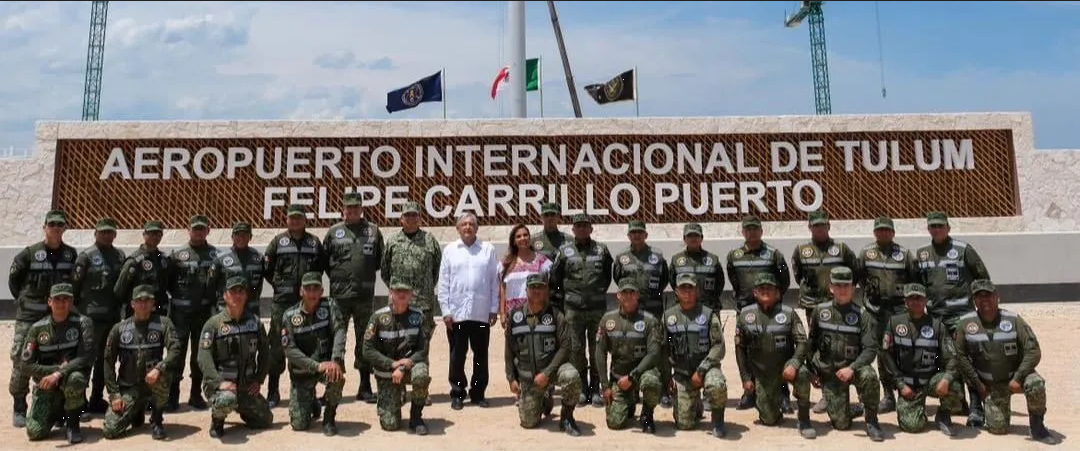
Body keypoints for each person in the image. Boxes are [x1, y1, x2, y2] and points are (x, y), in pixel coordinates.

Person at [952, 279, 1058, 444]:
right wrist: (978, 385)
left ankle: (1038, 427)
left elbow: (1033, 351)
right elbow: (959, 356)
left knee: (1035, 384)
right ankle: (980, 407)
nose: (984, 300)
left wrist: (1018, 378)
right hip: (989, 385)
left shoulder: (1014, 320)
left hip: (1015, 378)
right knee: (998, 429)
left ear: (997, 297)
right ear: (974, 301)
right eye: (979, 297)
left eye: (988, 295)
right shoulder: (965, 323)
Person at [916, 211, 992, 421]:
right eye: (933, 226)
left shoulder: (963, 250)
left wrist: (982, 306)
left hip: (962, 317)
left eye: (941, 226)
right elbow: (917, 285)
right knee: (946, 360)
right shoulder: (922, 254)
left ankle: (977, 405)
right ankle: (958, 403)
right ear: (928, 229)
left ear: (948, 228)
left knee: (968, 359)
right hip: (937, 318)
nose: (937, 229)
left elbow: (982, 277)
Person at [8, 209, 78, 427]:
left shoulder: (71, 254)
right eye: (52, 224)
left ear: (64, 228)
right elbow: (14, 282)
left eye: (60, 224)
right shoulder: (29, 254)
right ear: (45, 227)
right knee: (22, 357)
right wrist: (25, 301)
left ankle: (55, 407)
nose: (55, 228)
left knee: (57, 359)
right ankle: (20, 406)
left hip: (57, 317)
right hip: (29, 316)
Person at [803, 267, 884, 441]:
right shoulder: (819, 312)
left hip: (852, 370)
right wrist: (812, 370)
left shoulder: (863, 315)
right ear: (831, 287)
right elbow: (811, 344)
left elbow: (870, 349)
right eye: (838, 285)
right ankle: (851, 409)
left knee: (869, 376)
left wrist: (852, 368)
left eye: (846, 285)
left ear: (853, 288)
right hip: (831, 373)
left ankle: (872, 420)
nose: (842, 289)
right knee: (841, 424)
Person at [733, 273, 816, 439]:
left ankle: (804, 419)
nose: (765, 291)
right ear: (755, 293)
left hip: (785, 368)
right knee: (769, 420)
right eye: (761, 288)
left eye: (770, 288)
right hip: (762, 374)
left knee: (804, 374)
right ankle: (771, 402)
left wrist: (794, 363)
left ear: (777, 293)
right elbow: (740, 348)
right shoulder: (745, 315)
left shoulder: (789, 313)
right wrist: (746, 377)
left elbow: (802, 342)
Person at [322, 192, 384, 403]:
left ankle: (365, 386)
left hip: (364, 297)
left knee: (365, 340)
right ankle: (331, 387)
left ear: (361, 209)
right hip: (339, 298)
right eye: (349, 208)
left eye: (356, 208)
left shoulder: (373, 232)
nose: (352, 211)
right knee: (334, 340)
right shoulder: (333, 233)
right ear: (343, 210)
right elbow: (325, 263)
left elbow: (378, 262)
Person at [853, 216, 918, 414]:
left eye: (887, 230)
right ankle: (888, 395)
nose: (883, 233)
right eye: (879, 230)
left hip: (899, 312)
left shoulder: (905, 254)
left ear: (893, 232)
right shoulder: (866, 253)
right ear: (875, 232)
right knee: (882, 352)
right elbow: (858, 277)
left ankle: (904, 392)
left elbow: (914, 280)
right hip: (875, 312)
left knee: (902, 351)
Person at [725, 214, 790, 411]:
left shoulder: (773, 254)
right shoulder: (734, 256)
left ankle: (783, 393)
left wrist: (772, 299)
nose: (752, 233)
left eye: (755, 229)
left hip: (771, 312)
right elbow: (734, 281)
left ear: (762, 231)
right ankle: (750, 392)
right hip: (745, 312)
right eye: (748, 229)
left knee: (779, 349)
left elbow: (784, 281)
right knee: (744, 349)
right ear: (743, 232)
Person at [880, 283, 963, 436]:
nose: (916, 302)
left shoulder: (937, 326)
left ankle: (943, 415)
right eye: (912, 298)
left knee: (955, 386)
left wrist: (946, 378)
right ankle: (916, 409)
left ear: (926, 301)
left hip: (930, 380)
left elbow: (952, 357)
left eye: (920, 298)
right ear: (906, 302)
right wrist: (900, 384)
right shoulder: (895, 323)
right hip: (908, 385)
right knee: (913, 426)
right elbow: (886, 356)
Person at [504, 273, 582, 436]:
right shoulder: (515, 316)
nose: (537, 291)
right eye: (533, 287)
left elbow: (566, 346)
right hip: (529, 378)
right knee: (528, 423)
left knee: (571, 376)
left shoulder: (556, 315)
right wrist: (511, 378)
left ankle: (567, 417)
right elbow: (509, 349)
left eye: (541, 287)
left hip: (552, 372)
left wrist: (547, 373)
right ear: (526, 290)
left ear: (546, 290)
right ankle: (545, 399)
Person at [380, 201, 442, 406]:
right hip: (398, 305)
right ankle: (397, 388)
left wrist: (422, 290)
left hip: (423, 304)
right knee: (395, 344)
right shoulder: (393, 242)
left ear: (420, 218)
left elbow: (436, 271)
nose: (411, 219)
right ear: (401, 219)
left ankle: (420, 389)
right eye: (407, 215)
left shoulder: (430, 240)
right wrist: (398, 294)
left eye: (415, 215)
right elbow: (385, 271)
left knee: (421, 346)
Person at [101, 284, 181, 440]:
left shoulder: (164, 323)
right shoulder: (119, 329)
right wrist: (114, 395)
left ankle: (157, 421)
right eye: (139, 301)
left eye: (147, 300)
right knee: (111, 430)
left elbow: (175, 350)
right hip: (129, 387)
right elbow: (108, 362)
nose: (143, 304)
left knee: (165, 375)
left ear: (153, 304)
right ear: (132, 304)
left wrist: (159, 368)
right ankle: (136, 411)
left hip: (153, 383)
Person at [264, 204, 325, 407]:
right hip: (282, 302)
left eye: (299, 218)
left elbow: (319, 269)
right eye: (292, 218)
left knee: (307, 344)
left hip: (305, 303)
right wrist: (280, 286)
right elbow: (267, 268)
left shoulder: (314, 243)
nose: (295, 221)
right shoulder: (278, 242)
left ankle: (307, 389)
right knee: (277, 346)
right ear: (287, 220)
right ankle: (273, 390)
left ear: (305, 220)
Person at [197, 277, 273, 439]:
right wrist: (219, 382)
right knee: (226, 399)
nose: (237, 296)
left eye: (241, 292)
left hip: (245, 386)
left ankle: (242, 407)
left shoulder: (255, 323)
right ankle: (217, 421)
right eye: (233, 292)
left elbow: (266, 353)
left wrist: (258, 379)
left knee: (265, 420)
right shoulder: (214, 324)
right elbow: (203, 358)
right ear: (225, 296)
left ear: (246, 296)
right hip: (222, 386)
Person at [438, 213, 500, 409]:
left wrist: (493, 309)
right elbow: (444, 283)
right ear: (458, 228)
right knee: (457, 355)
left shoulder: (487, 250)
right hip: (457, 313)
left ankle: (478, 392)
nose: (467, 227)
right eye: (464, 224)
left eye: (471, 224)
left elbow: (494, 282)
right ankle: (457, 392)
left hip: (481, 311)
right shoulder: (450, 250)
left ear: (477, 227)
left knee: (481, 355)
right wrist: (446, 311)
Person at [17, 283, 93, 443]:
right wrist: (55, 370)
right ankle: (58, 413)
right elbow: (25, 365)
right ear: (49, 301)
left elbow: (85, 357)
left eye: (66, 299)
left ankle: (72, 424)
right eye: (57, 299)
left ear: (71, 301)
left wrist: (60, 373)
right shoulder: (37, 329)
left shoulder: (82, 323)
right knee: (35, 433)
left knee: (76, 379)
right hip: (47, 384)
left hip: (69, 379)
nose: (61, 303)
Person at [550, 213, 613, 407]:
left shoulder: (601, 250)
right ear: (573, 229)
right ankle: (582, 388)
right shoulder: (564, 251)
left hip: (596, 309)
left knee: (597, 349)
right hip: (573, 310)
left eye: (586, 226)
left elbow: (608, 275)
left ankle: (595, 388)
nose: (582, 229)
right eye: (578, 226)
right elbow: (555, 279)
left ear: (591, 229)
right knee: (576, 350)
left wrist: (597, 292)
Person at [611, 220, 671, 408]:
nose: (636, 235)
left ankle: (662, 390)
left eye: (640, 232)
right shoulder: (621, 258)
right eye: (633, 232)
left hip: (652, 308)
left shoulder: (657, 257)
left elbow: (664, 280)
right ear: (628, 235)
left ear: (646, 235)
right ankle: (633, 389)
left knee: (658, 348)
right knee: (631, 346)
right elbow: (617, 279)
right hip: (631, 310)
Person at [362, 278, 432, 435]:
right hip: (387, 372)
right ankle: (396, 396)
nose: (402, 294)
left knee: (421, 373)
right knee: (390, 425)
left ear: (411, 294)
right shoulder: (378, 318)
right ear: (390, 293)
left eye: (406, 291)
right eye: (398, 291)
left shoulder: (417, 316)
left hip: (407, 367)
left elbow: (422, 349)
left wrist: (402, 366)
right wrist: (392, 364)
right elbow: (367, 349)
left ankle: (416, 418)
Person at [71, 217, 126, 416]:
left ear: (115, 234)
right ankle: (80, 401)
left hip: (111, 318)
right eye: (103, 232)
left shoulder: (119, 256)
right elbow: (74, 288)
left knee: (106, 360)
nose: (107, 235)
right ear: (95, 233)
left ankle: (96, 398)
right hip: (90, 320)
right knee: (86, 359)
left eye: (110, 232)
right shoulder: (85, 257)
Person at [281, 272, 347, 435]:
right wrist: (316, 366)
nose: (312, 293)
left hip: (327, 366)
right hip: (303, 371)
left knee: (336, 377)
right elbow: (290, 350)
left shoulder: (329, 305)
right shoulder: (289, 315)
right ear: (301, 291)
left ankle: (329, 418)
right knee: (299, 424)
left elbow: (339, 331)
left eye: (315, 288)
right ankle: (311, 401)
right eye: (307, 289)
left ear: (322, 290)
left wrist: (336, 360)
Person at [164, 214, 218, 411]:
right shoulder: (177, 255)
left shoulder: (215, 255)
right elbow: (167, 282)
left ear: (208, 231)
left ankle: (196, 394)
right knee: (176, 354)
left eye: (202, 229)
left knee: (200, 354)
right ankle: (172, 395)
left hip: (203, 314)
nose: (198, 232)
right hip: (180, 314)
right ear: (189, 230)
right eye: (195, 229)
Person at [595, 280, 663, 433]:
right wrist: (605, 386)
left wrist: (632, 377)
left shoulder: (649, 320)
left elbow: (654, 353)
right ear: (618, 295)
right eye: (624, 293)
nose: (628, 296)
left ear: (637, 295)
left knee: (652, 382)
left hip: (641, 374)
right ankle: (629, 401)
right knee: (615, 423)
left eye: (632, 293)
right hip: (619, 378)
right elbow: (600, 352)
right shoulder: (608, 320)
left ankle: (647, 414)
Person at [665, 273, 728, 437]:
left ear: (697, 291)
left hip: (706, 370)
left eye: (690, 288)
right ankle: (696, 404)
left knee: (717, 384)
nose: (687, 292)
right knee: (684, 425)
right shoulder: (669, 317)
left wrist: (701, 370)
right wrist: (667, 376)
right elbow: (663, 348)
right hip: (682, 373)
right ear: (676, 292)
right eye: (683, 288)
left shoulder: (707, 315)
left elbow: (719, 346)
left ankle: (718, 421)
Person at [499, 223, 554, 328]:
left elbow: (550, 285)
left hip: (538, 312)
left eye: (525, 235)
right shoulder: (506, 263)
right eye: (518, 236)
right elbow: (503, 288)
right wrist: (502, 313)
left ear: (530, 238)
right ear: (514, 241)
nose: (522, 238)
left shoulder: (542, 260)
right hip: (514, 314)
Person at [206, 222, 265, 318]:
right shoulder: (221, 259)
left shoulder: (258, 258)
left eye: (245, 235)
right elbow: (210, 285)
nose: (241, 238)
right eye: (237, 234)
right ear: (232, 237)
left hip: (250, 309)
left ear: (250, 237)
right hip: (227, 309)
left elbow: (259, 284)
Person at [114, 221, 169, 318]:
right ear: (144, 235)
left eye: (158, 234)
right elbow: (119, 290)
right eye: (151, 233)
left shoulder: (162, 258)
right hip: (138, 313)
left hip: (159, 311)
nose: (155, 236)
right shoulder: (134, 261)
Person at [530, 203, 572, 310]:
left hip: (564, 291)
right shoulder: (534, 240)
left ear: (558, 216)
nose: (550, 218)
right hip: (541, 290)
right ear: (541, 217)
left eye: (553, 215)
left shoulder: (569, 240)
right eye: (546, 215)